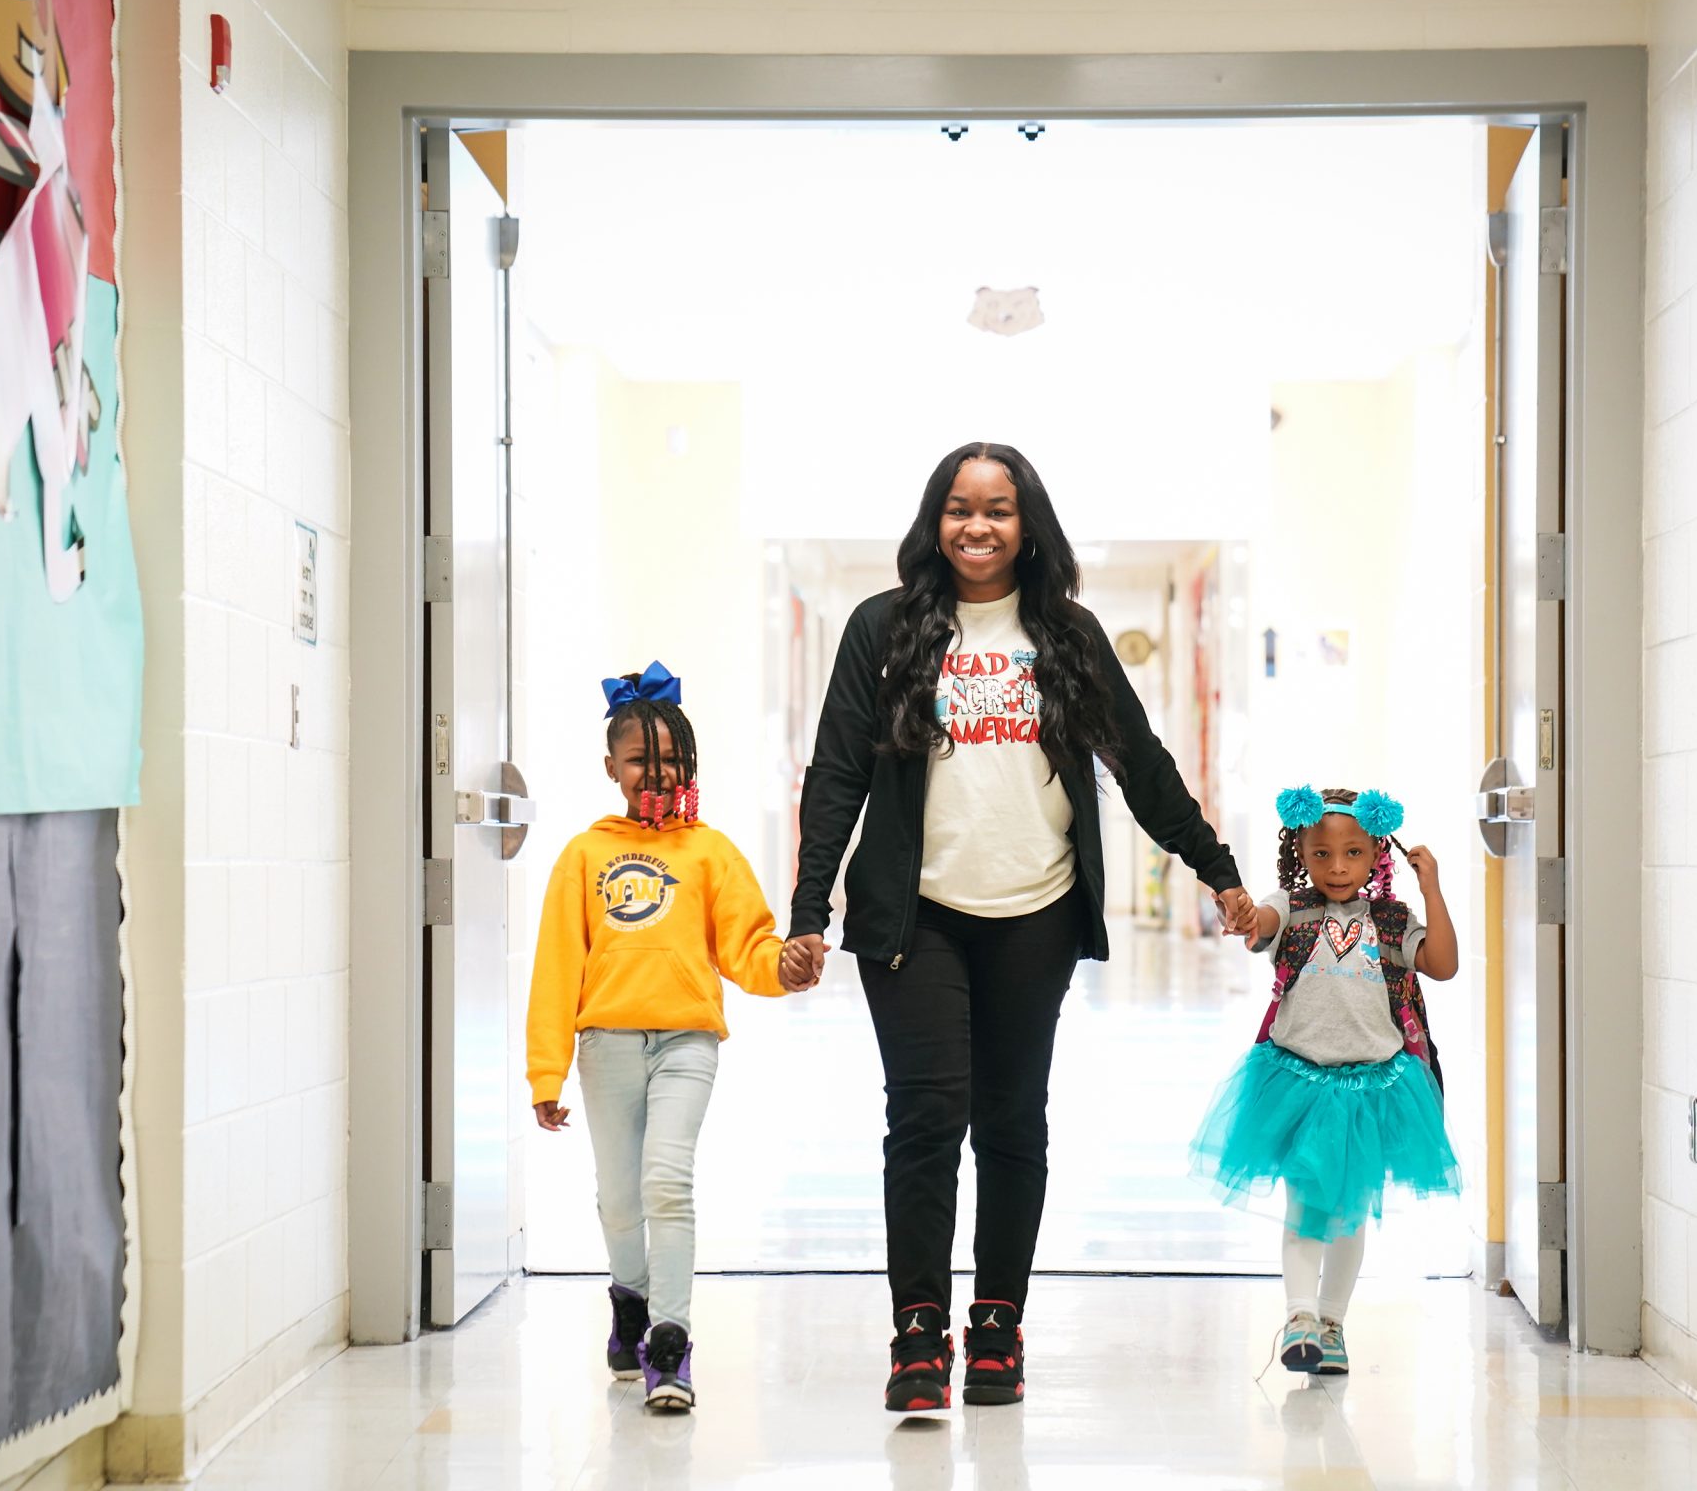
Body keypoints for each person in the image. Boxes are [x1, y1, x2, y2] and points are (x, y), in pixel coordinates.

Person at [785, 442, 1256, 1414]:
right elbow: (836, 773)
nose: (978, 526)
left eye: (997, 509)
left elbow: (1139, 763)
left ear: (1027, 523)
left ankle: (997, 1324)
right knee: (924, 1120)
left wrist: (1215, 869)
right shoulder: (882, 628)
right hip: (911, 914)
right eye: (960, 508)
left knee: (1010, 1121)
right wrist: (808, 911)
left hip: (1034, 911)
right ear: (935, 521)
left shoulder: (1066, 636)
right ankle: (918, 1331)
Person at [526, 663, 820, 1413]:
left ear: (690, 762)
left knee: (666, 1181)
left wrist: (782, 967)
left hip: (687, 1041)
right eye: (638, 760)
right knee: (620, 1199)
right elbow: (557, 966)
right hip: (606, 1047)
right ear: (610, 768)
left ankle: (670, 1340)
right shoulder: (584, 855)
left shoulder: (711, 852)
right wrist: (545, 1072)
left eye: (670, 760)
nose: (655, 774)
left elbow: (747, 947)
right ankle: (629, 1300)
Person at [1192, 786, 1461, 1376]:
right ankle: (1300, 1317)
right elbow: (1258, 925)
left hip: (1373, 1092)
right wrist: (1241, 912)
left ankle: (1332, 1324)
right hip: (1300, 1087)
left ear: (1376, 854)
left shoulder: (1392, 921)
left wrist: (1432, 889)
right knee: (1307, 1205)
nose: (1337, 867)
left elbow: (1442, 964)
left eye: (1353, 853)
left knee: (1351, 1212)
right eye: (1321, 854)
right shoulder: (1290, 910)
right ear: (1300, 854)